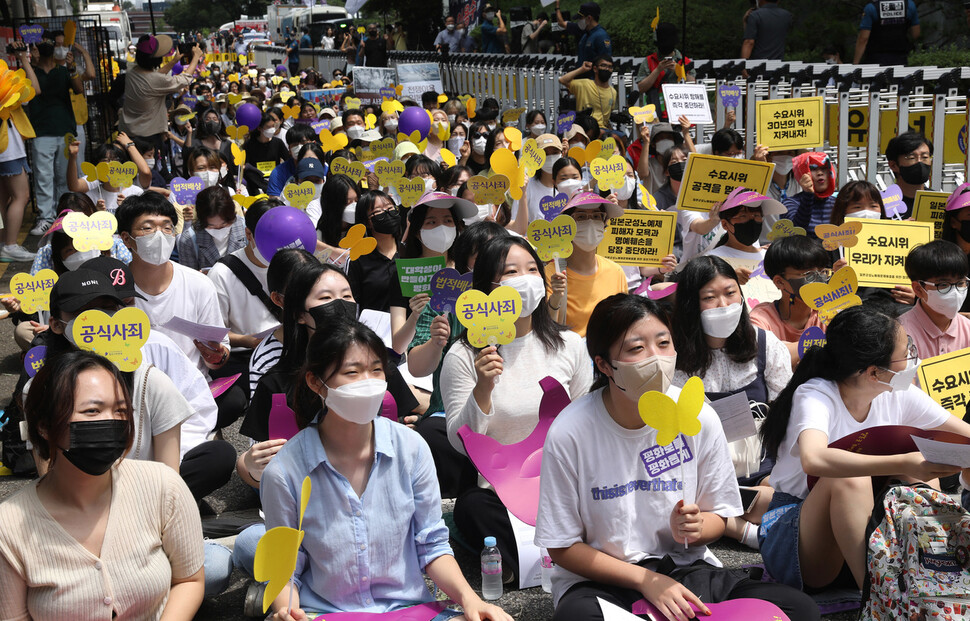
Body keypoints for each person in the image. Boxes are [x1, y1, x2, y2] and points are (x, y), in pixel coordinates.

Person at [535, 293, 820, 621]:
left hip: (687, 572)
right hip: (604, 580)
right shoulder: (571, 431)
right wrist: (646, 580)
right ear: (603, 364)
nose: (655, 359)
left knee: (799, 610)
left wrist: (698, 526)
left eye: (663, 343)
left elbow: (718, 516)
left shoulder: (697, 415)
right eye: (636, 349)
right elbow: (562, 547)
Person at [245, 320, 512, 621]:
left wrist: (470, 600)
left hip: (408, 612)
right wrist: (286, 612)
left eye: (375, 369)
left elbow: (433, 545)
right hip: (325, 614)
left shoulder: (411, 448)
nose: (368, 381)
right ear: (316, 382)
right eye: (352, 372)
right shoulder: (285, 471)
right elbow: (286, 568)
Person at [758, 305, 970, 591]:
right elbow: (814, 459)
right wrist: (902, 463)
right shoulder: (817, 395)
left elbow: (965, 434)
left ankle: (937, 575)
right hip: (800, 536)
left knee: (923, 472)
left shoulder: (899, 392)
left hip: (868, 528)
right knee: (850, 479)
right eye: (904, 352)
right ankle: (877, 600)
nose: (911, 357)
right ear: (874, 372)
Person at [0, 351, 205, 619]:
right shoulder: (9, 526)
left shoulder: (163, 486)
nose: (113, 421)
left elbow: (189, 580)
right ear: (45, 427)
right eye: (92, 411)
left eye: (121, 410)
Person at [442, 235, 593, 583]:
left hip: (566, 478)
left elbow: (589, 415)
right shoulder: (464, 356)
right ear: (487, 287)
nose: (525, 278)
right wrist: (482, 387)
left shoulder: (569, 344)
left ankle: (539, 558)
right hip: (502, 490)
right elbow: (459, 440)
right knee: (472, 508)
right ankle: (537, 561)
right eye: (511, 272)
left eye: (531, 269)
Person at [671, 255, 792, 536]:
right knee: (685, 501)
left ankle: (729, 519)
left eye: (730, 293)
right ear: (691, 304)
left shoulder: (766, 344)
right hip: (704, 475)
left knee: (776, 495)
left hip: (762, 469)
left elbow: (785, 414)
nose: (723, 305)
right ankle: (738, 528)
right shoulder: (674, 356)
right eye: (710, 297)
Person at [546, 190, 628, 337]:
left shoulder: (616, 271)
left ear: (604, 224)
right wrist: (556, 297)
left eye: (597, 216)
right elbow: (546, 328)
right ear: (567, 225)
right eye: (581, 217)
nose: (590, 222)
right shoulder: (552, 273)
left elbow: (623, 322)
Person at [25, 32, 82, 236]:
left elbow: (78, 89)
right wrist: (28, 62)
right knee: (43, 177)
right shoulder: (29, 72)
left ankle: (63, 214)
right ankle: (45, 217)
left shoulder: (63, 71)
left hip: (65, 129)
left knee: (63, 176)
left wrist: (72, 67)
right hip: (41, 131)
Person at [121, 35, 203, 160]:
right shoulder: (156, 80)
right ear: (157, 60)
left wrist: (174, 61)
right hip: (149, 137)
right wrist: (196, 57)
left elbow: (154, 77)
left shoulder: (131, 71)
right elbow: (184, 79)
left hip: (128, 133)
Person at [749, 235, 829, 362]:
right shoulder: (760, 319)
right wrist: (825, 343)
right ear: (779, 282)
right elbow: (767, 358)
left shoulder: (830, 314)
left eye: (823, 272)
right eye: (809, 275)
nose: (818, 280)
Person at [898, 240, 970, 361]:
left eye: (960, 283)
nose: (955, 293)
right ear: (918, 289)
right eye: (943, 285)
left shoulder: (968, 330)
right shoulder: (899, 335)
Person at [0, 43, 37, 262]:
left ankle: (4, 243)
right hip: (7, 151)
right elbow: (33, 90)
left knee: (2, 199)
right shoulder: (7, 84)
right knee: (20, 196)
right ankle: (11, 245)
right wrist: (23, 58)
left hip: (6, 149)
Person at [176, 185, 247, 272]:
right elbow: (187, 277)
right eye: (211, 226)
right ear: (202, 221)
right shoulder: (189, 239)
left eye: (224, 225)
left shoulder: (245, 229)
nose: (218, 229)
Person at [635, 23, 695, 121]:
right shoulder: (649, 61)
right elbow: (641, 88)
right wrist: (657, 70)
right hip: (655, 113)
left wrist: (678, 70)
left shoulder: (684, 61)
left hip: (680, 114)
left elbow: (694, 84)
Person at [782, 151, 836, 237]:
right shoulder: (790, 203)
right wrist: (808, 195)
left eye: (824, 168)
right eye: (813, 169)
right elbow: (796, 232)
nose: (820, 173)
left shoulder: (837, 203)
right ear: (801, 174)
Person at [854, 0, 920, 66]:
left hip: (876, 57)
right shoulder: (909, 5)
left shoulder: (871, 8)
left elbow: (863, 39)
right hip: (901, 57)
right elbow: (916, 34)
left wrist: (855, 63)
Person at [559, 55, 617, 130]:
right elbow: (562, 80)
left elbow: (608, 117)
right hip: (587, 127)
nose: (607, 69)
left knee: (622, 137)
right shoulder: (584, 84)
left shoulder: (613, 92)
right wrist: (582, 69)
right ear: (595, 69)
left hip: (604, 129)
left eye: (610, 67)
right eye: (603, 65)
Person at [885, 131, 933, 218]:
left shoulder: (940, 202)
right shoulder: (881, 203)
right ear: (894, 165)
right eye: (911, 157)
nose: (919, 162)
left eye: (925, 157)